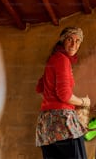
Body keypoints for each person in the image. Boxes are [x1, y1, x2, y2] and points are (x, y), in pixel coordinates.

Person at [35, 26, 90, 159]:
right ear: (62, 41)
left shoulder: (52, 60)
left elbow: (39, 88)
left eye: (77, 41)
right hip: (63, 122)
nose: (74, 44)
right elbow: (64, 95)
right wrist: (84, 101)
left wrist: (51, 102)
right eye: (70, 39)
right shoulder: (62, 59)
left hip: (46, 124)